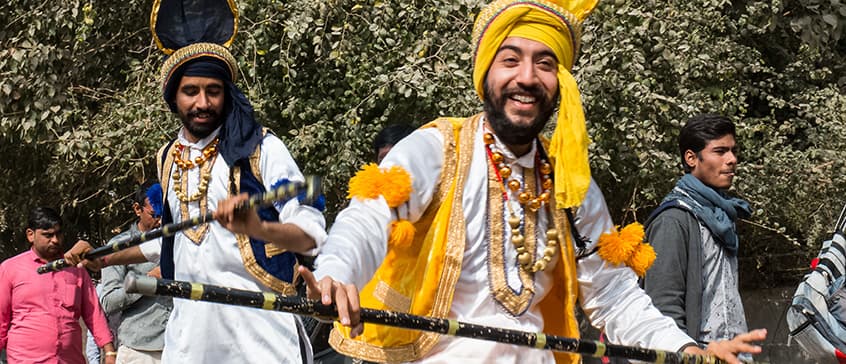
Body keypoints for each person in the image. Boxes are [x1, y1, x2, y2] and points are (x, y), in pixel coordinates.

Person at [296, 0, 766, 363]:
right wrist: (336, 272)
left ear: (559, 80)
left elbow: (614, 295)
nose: (527, 77)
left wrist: (684, 349)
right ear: (485, 73)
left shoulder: (571, 187)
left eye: (544, 63)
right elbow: (369, 217)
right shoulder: (435, 149)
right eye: (511, 60)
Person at [65, 2, 327, 362]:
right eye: (191, 91)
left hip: (259, 336)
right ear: (174, 96)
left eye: (213, 91)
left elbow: (310, 232)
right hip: (189, 339)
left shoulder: (261, 147)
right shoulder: (168, 158)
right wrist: (102, 258)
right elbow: (171, 244)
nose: (202, 102)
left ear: (226, 93)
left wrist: (260, 227)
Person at [643, 114, 753, 349]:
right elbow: (663, 305)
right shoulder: (674, 219)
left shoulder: (721, 215)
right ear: (692, 158)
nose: (732, 159)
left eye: (733, 151)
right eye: (720, 151)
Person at [0, 207, 116, 364]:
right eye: (47, 235)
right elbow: (1, 320)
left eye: (58, 234)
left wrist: (109, 352)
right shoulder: (10, 269)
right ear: (30, 235)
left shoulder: (77, 268)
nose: (55, 240)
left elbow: (93, 312)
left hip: (70, 359)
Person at [99, 180, 171, 363]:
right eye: (155, 214)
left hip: (177, 345)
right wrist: (147, 281)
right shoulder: (118, 247)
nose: (161, 220)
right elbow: (108, 301)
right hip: (140, 349)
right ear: (138, 209)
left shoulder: (177, 241)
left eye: (166, 214)